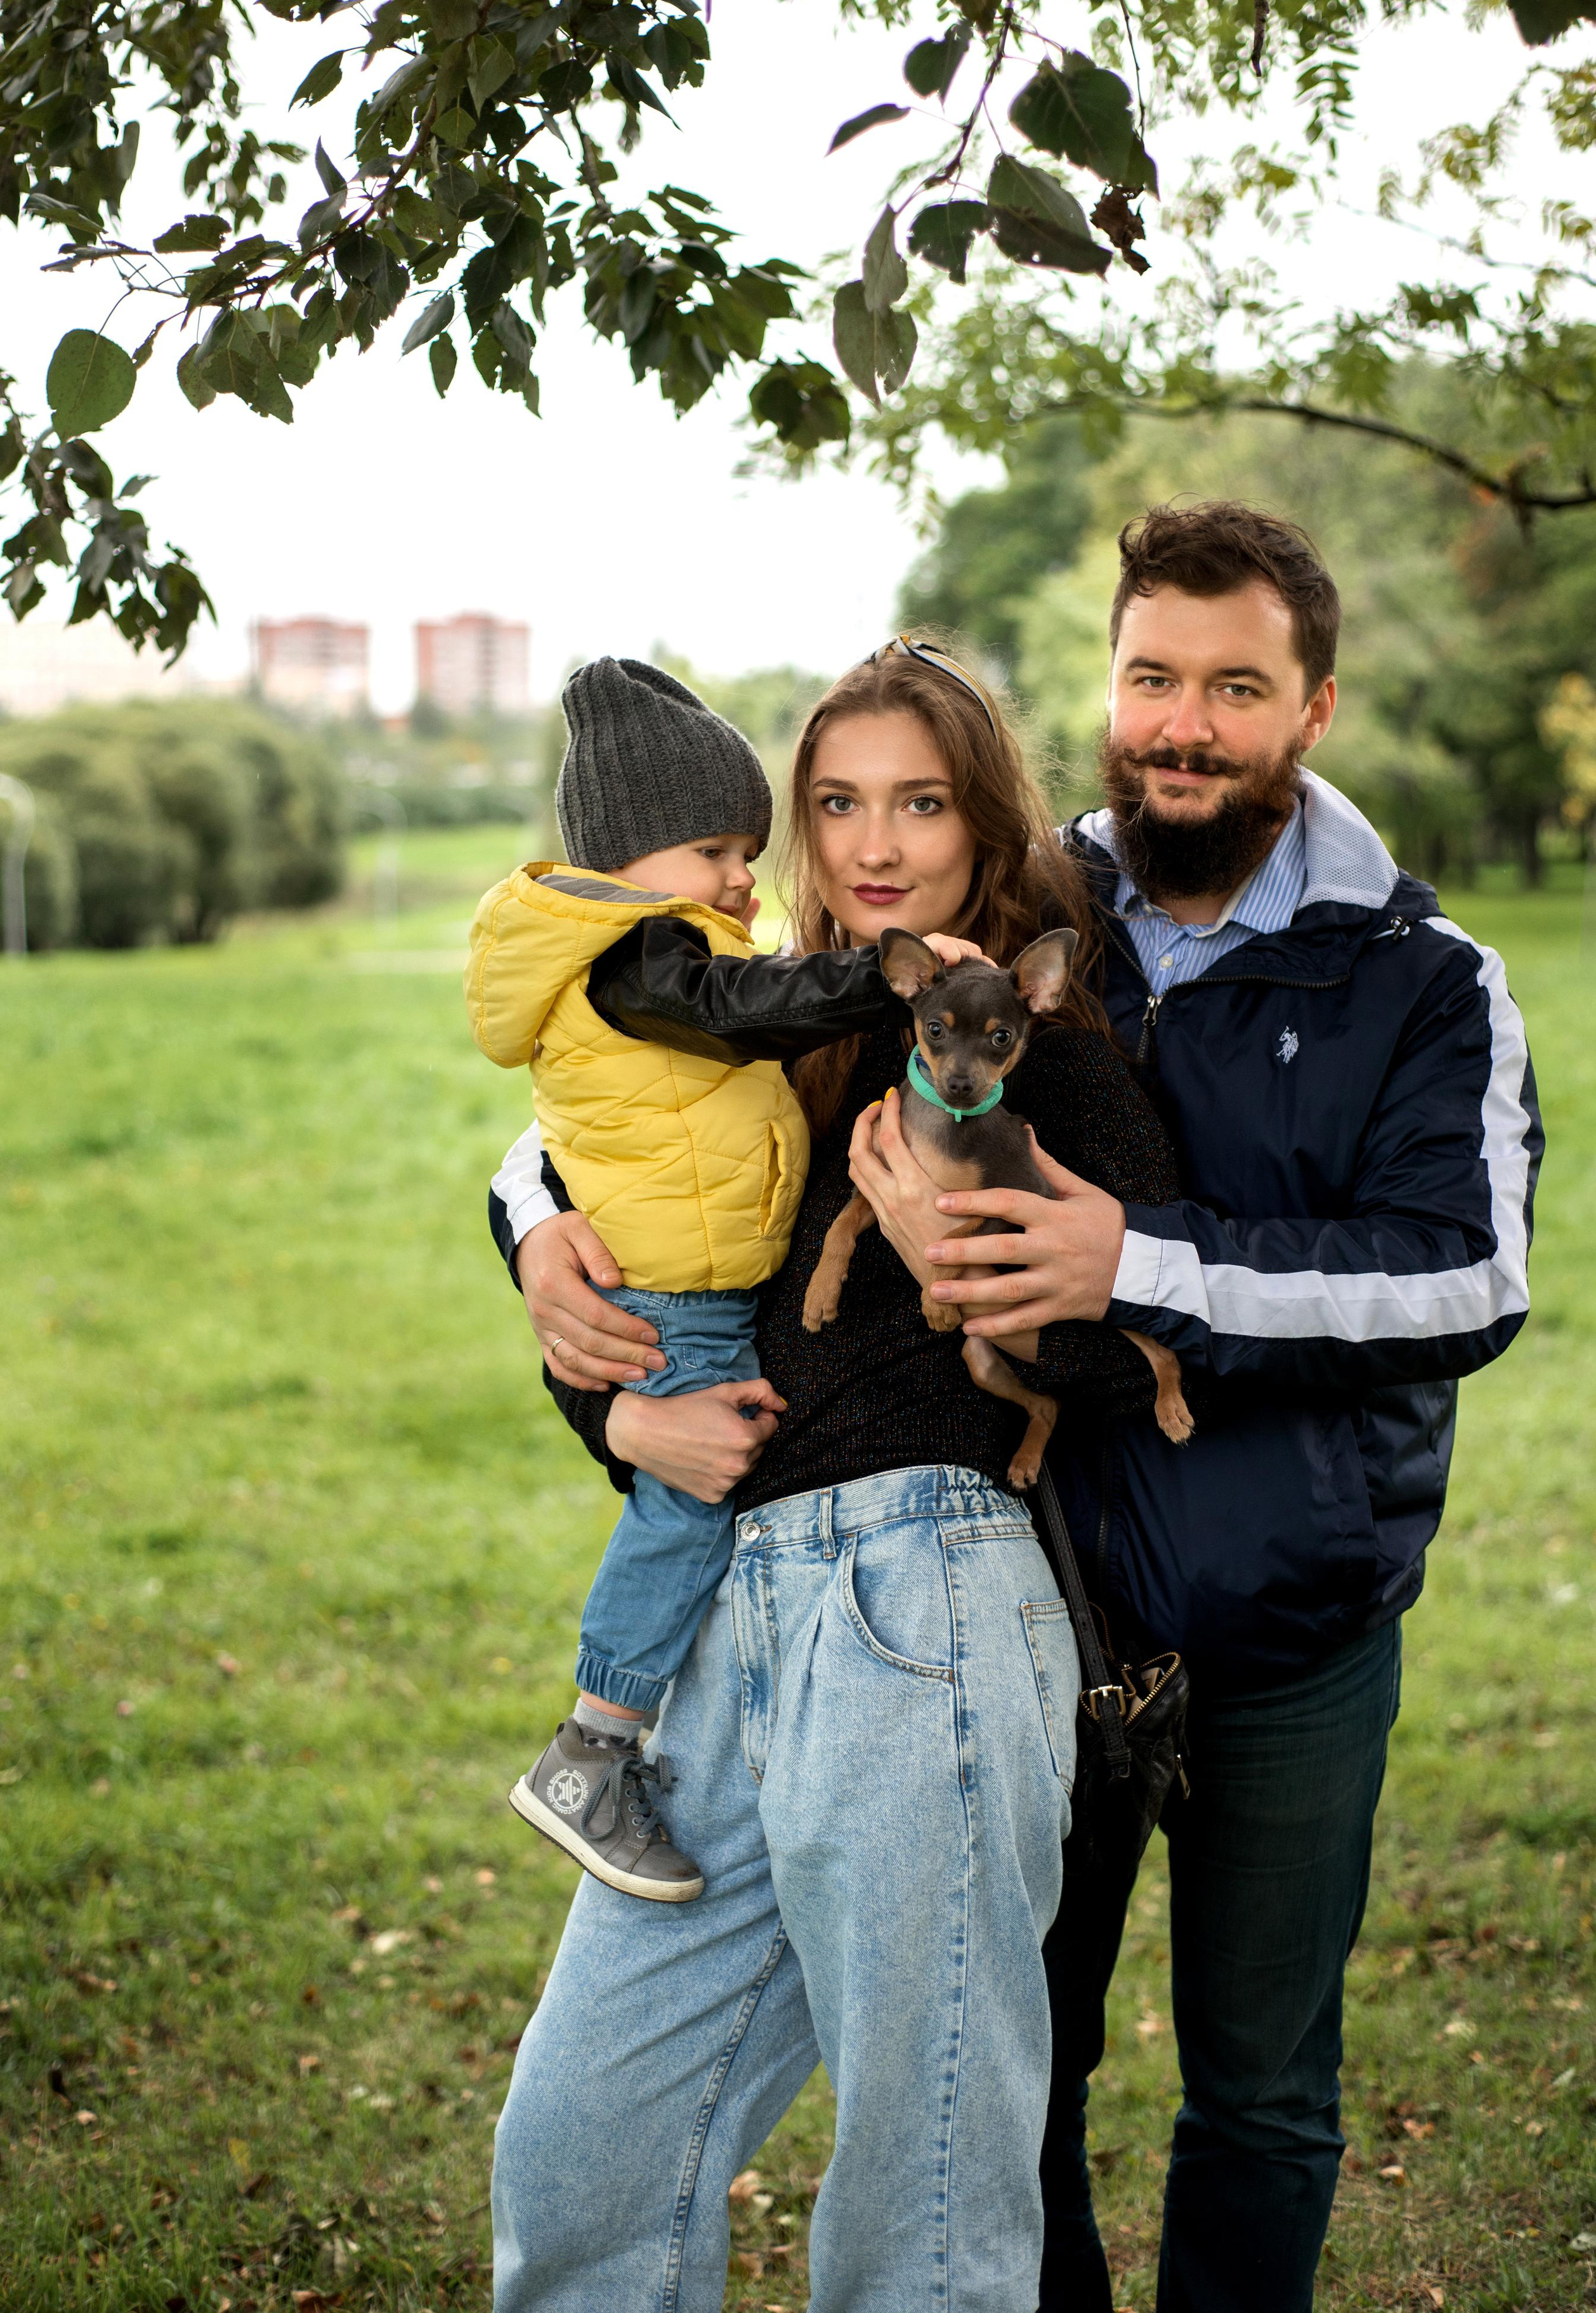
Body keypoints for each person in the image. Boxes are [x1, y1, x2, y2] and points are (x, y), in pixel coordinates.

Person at [840, 504, 1543, 2313]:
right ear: (1112, 684)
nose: (1184, 723)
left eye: (1237, 686)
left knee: (1262, 2098)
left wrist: (1137, 1267)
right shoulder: (1023, 912)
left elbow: (1465, 1279)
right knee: (1020, 2084)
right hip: (1033, 1607)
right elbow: (739, 1016)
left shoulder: (1427, 977)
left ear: (1312, 709)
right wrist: (533, 1210)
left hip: (1296, 1627)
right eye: (1153, 676)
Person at [485, 639, 1182, 2311]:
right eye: (836, 801)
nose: (873, 841)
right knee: (581, 2148)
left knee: (921, 2207)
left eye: (920, 802)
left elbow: (1149, 1334)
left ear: (981, 820)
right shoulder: (767, 1020)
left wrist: (979, 1263)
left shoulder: (1032, 1024)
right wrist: (583, 1352)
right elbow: (643, 1248)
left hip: (922, 1605)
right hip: (729, 1624)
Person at [466, 653, 977, 1903]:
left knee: (695, 1486)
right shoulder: (641, 961)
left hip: (701, 1288)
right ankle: (594, 1745)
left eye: (751, 847)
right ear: (627, 858)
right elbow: (745, 1007)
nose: (742, 876)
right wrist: (893, 975)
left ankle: (630, 1735)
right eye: (713, 850)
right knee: (689, 1494)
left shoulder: (636, 950)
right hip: (678, 1296)